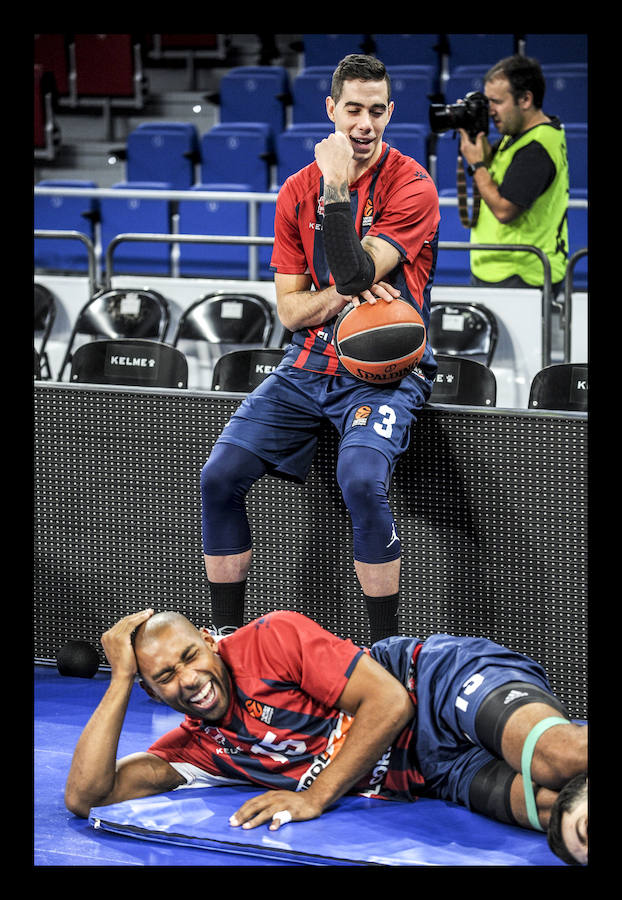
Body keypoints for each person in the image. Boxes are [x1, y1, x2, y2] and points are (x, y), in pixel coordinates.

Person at [200, 54, 440, 643]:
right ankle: (230, 641)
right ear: (330, 109)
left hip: (384, 371)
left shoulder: (413, 186)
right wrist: (346, 289)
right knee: (217, 478)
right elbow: (291, 311)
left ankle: (388, 656)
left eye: (377, 111)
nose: (364, 124)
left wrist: (336, 189)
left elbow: (356, 271)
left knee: (360, 479)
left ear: (391, 113)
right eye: (352, 109)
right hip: (305, 365)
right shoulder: (293, 192)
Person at [64, 608, 588, 866]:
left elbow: (390, 703)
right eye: (164, 678)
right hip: (433, 772)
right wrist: (120, 678)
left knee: (555, 757)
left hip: (432, 683)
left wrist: (314, 797)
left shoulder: (270, 638)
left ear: (210, 642)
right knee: (556, 819)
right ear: (152, 693)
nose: (189, 680)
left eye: (190, 657)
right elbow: (86, 796)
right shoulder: (198, 749)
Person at [458, 55, 569, 295]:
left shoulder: (537, 148)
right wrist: (473, 130)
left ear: (526, 99)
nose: (490, 111)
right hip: (501, 270)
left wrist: (477, 165)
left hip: (520, 274)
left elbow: (504, 209)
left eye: (496, 102)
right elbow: (496, 170)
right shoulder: (517, 134)